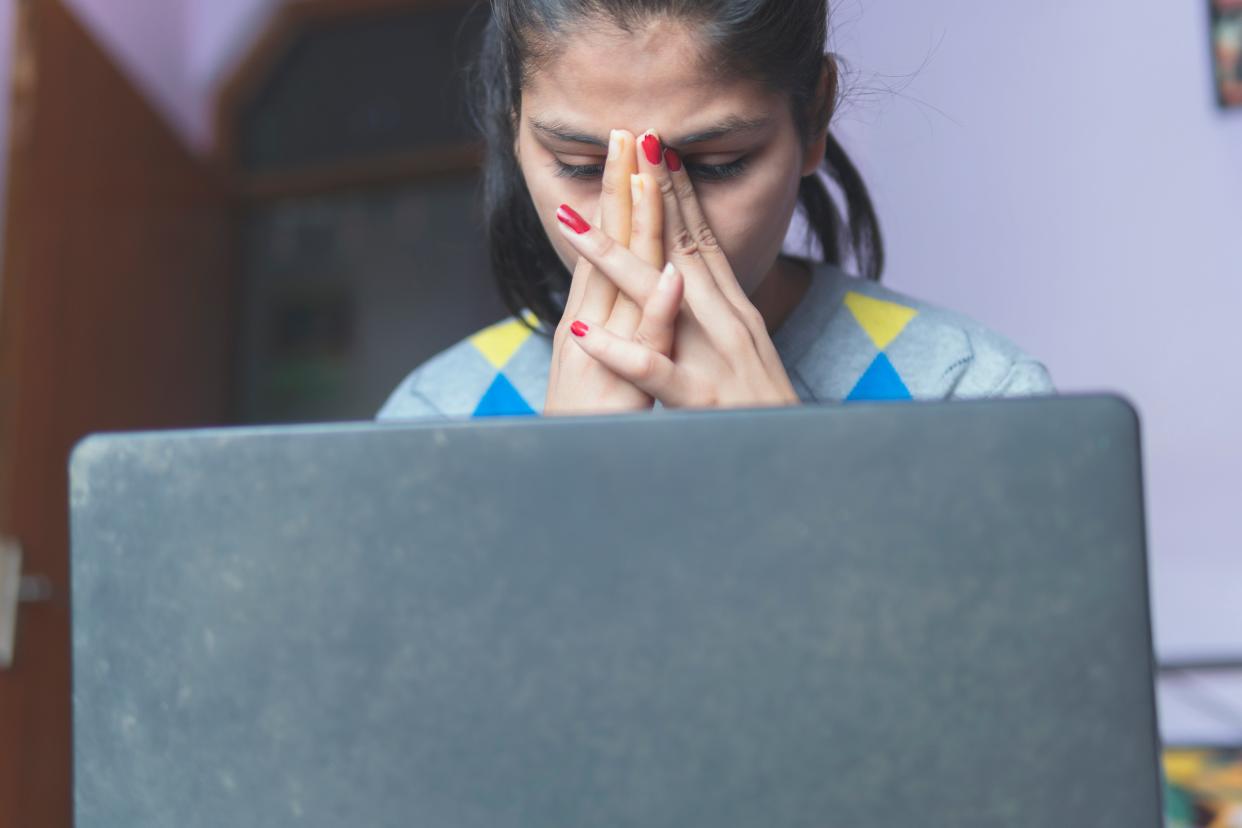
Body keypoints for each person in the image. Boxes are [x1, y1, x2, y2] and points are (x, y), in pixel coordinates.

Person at [376, 0, 1054, 422]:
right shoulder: (440, 418)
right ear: (513, 125)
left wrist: (778, 478)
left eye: (716, 163)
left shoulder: (970, 397)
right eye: (584, 167)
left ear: (813, 118)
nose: (650, 227)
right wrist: (572, 490)